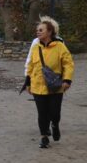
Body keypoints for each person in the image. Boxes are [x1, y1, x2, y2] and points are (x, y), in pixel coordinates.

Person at [25, 19, 74, 148]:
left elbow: (68, 63)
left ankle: (55, 125)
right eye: (37, 30)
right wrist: (27, 83)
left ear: (50, 32)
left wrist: (67, 80)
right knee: (42, 113)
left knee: (54, 113)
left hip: (55, 86)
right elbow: (30, 65)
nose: (38, 32)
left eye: (41, 30)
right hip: (38, 86)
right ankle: (44, 136)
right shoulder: (35, 47)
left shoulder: (60, 46)